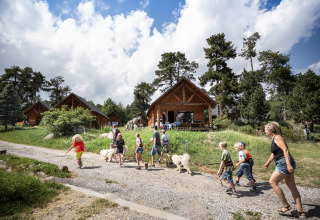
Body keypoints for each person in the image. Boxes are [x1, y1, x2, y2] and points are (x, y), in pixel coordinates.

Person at [264, 122, 306, 218]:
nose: (264, 131)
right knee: (292, 186)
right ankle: (300, 211)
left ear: (270, 130)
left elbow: (285, 150)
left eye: (265, 129)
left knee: (272, 182)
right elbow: (274, 153)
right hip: (282, 162)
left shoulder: (278, 137)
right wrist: (268, 162)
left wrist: (288, 164)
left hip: (284, 162)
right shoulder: (274, 139)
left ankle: (285, 206)